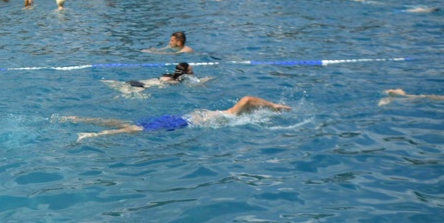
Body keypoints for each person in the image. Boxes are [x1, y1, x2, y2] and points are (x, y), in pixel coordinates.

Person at [60, 96, 290, 141]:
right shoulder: (231, 116)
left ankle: (77, 118)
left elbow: (249, 101)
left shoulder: (229, 117)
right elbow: (248, 100)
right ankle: (92, 133)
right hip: (183, 123)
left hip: (179, 118)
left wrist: (272, 108)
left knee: (130, 125)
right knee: (135, 129)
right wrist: (275, 107)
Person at [103, 62, 198, 95]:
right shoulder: (176, 82)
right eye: (191, 71)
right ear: (184, 73)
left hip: (135, 82)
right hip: (141, 87)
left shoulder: (167, 75)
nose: (192, 73)